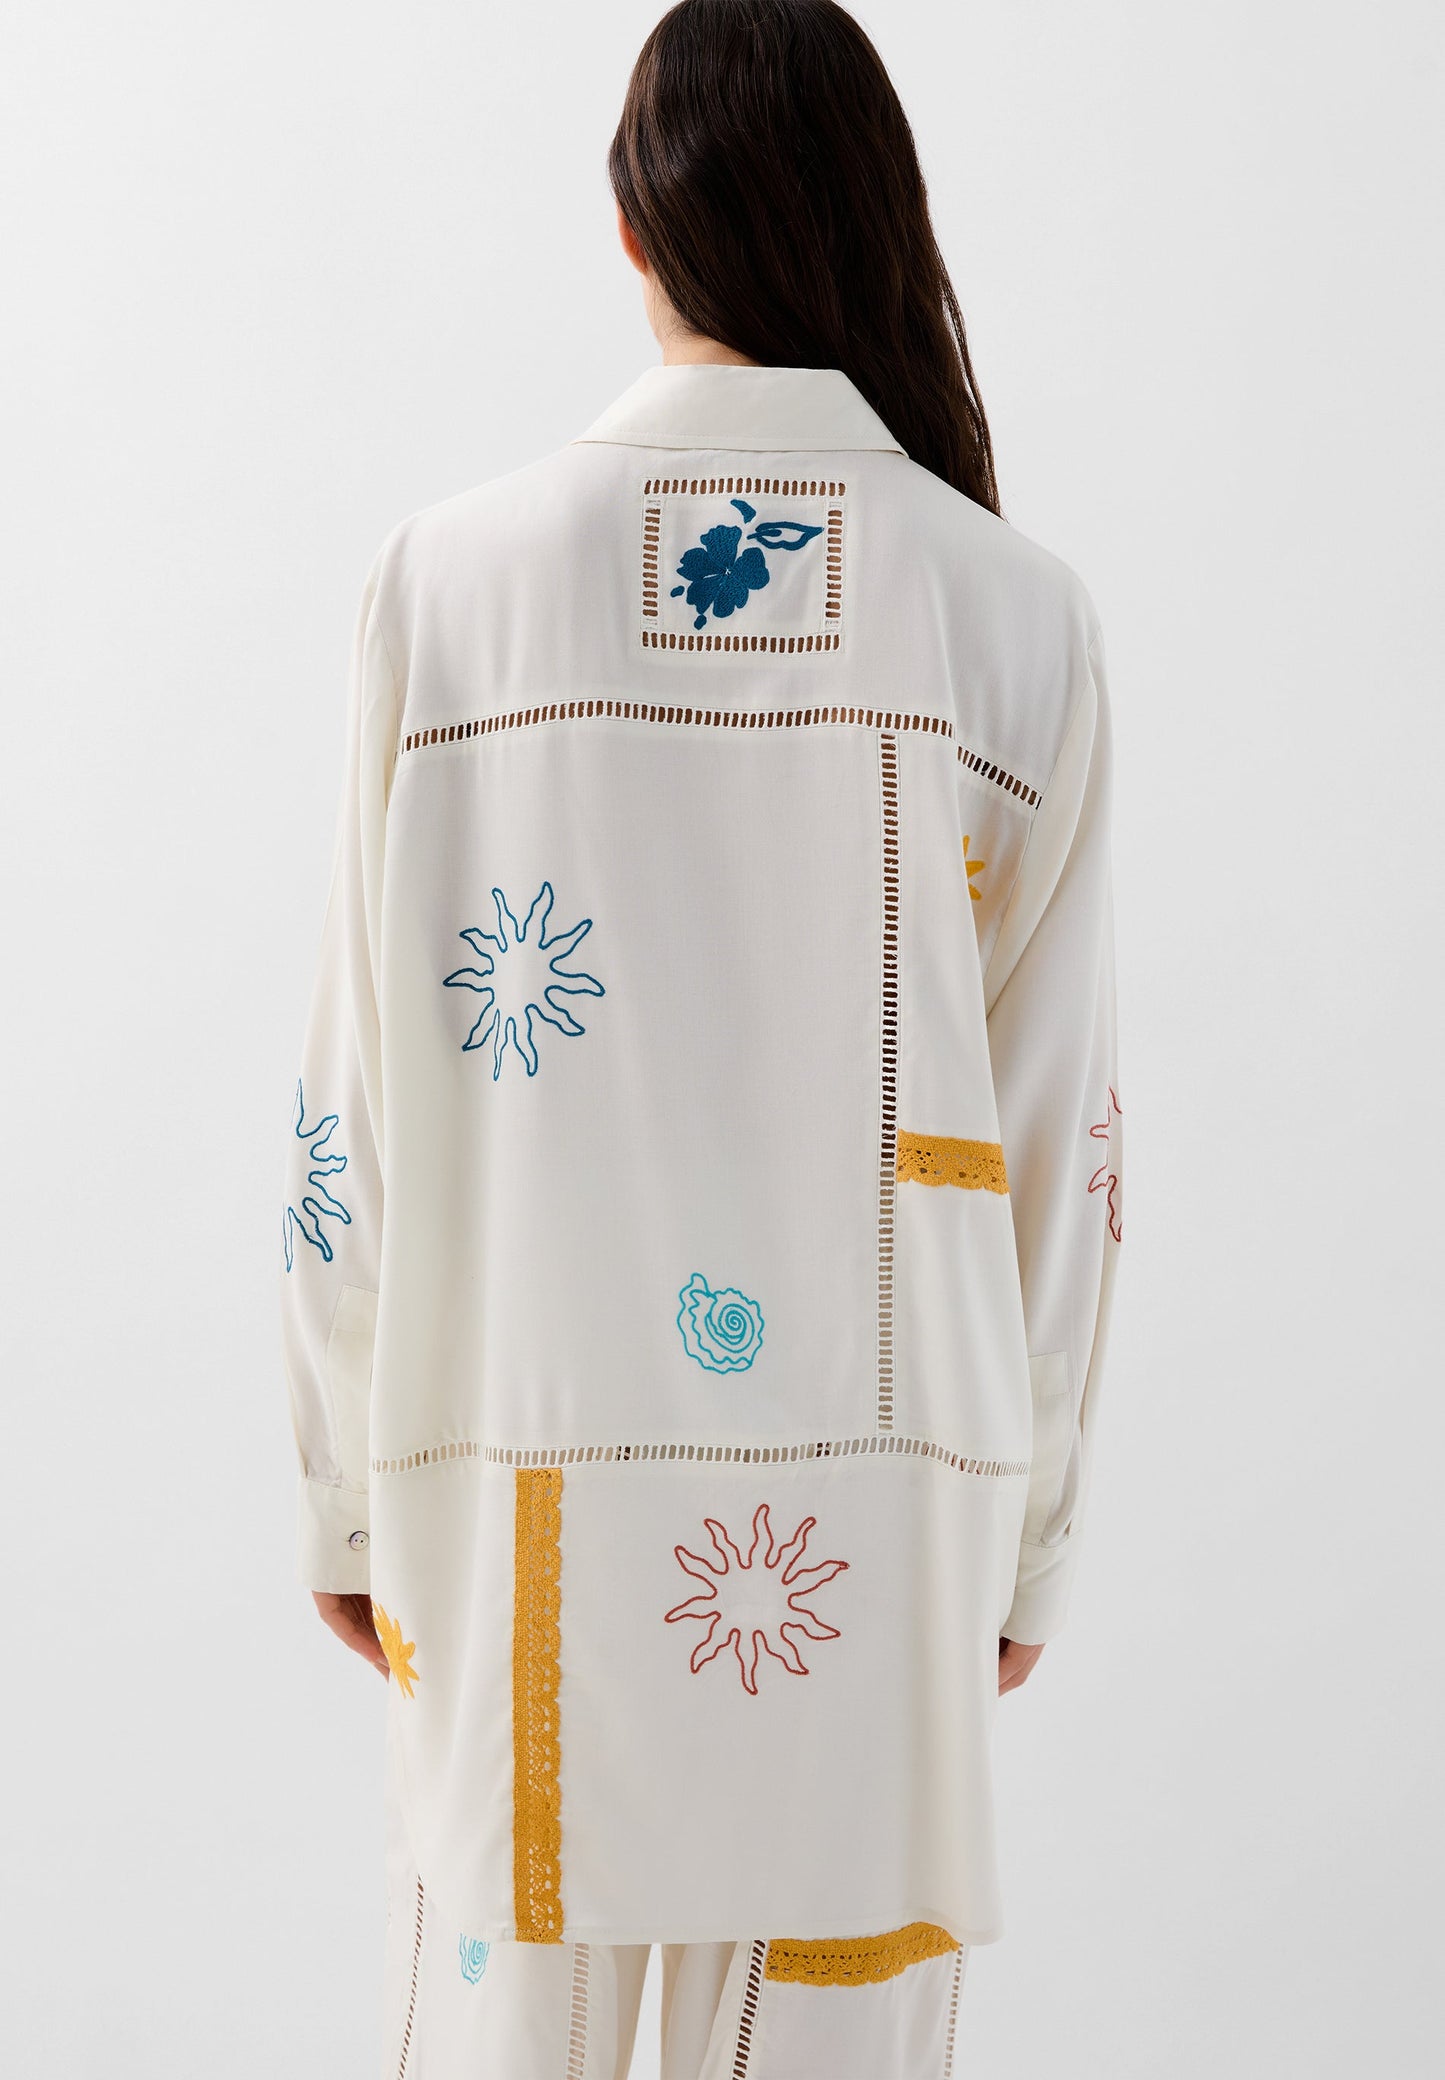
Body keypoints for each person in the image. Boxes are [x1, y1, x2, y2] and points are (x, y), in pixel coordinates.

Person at [278, 2, 1124, 2073]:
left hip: (510, 1482)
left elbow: (353, 1095)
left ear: (631, 225)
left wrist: (343, 1488)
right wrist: (1026, 1536)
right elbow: (1058, 1139)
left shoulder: (447, 585)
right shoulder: (1012, 613)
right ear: (872, 220)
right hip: (880, 1526)